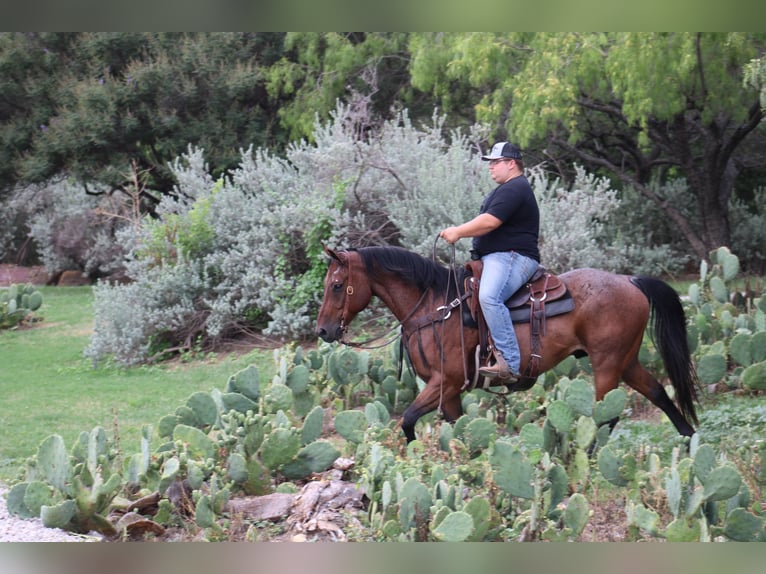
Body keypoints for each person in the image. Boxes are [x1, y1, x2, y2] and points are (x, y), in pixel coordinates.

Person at [440, 141, 540, 380]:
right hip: (496, 258)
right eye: (490, 163)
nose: (491, 167)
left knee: (488, 296)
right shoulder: (505, 189)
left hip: (513, 257)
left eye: (496, 162)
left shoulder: (516, 187)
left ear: (512, 164)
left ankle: (511, 363)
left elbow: (490, 222)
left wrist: (458, 231)